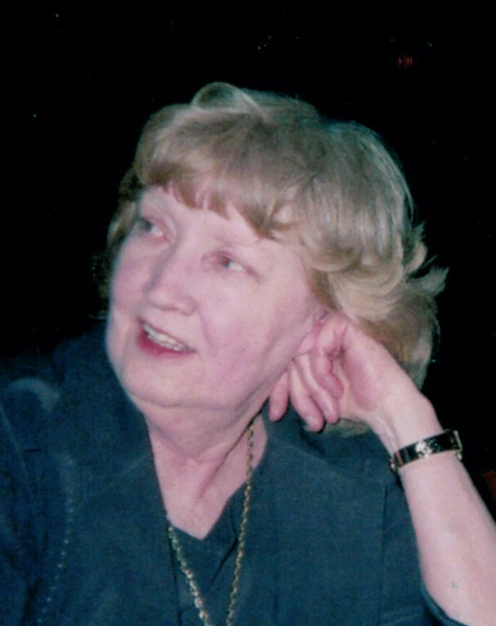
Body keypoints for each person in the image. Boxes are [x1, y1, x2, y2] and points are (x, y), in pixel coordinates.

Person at [1, 82, 495, 626]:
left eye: (227, 261)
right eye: (154, 228)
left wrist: (403, 417)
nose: (162, 288)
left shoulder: (350, 482)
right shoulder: (20, 438)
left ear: (324, 316)